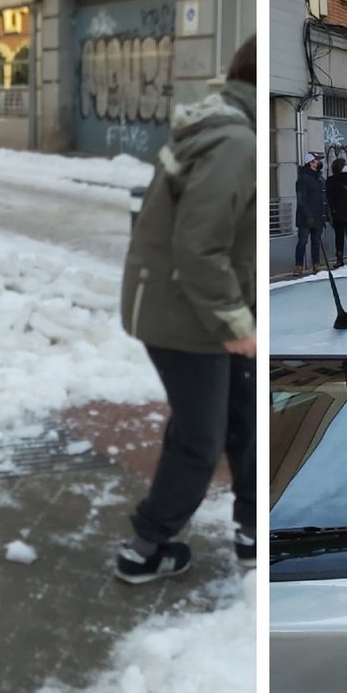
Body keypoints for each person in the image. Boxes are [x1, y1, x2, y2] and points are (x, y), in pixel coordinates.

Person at [113, 36, 256, 586]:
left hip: (192, 306)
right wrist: (235, 325)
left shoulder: (224, 128)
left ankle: (250, 533)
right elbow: (200, 247)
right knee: (201, 437)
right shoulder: (235, 141)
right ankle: (145, 547)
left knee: (241, 422)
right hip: (188, 315)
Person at [292, 151, 328, 276]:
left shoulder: (319, 178)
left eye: (318, 161)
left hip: (318, 216)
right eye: (315, 161)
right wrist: (308, 216)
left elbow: (324, 197)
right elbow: (302, 200)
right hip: (305, 218)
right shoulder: (303, 179)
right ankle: (298, 266)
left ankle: (316, 264)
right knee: (302, 241)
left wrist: (326, 214)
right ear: (309, 163)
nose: (318, 163)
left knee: (316, 241)